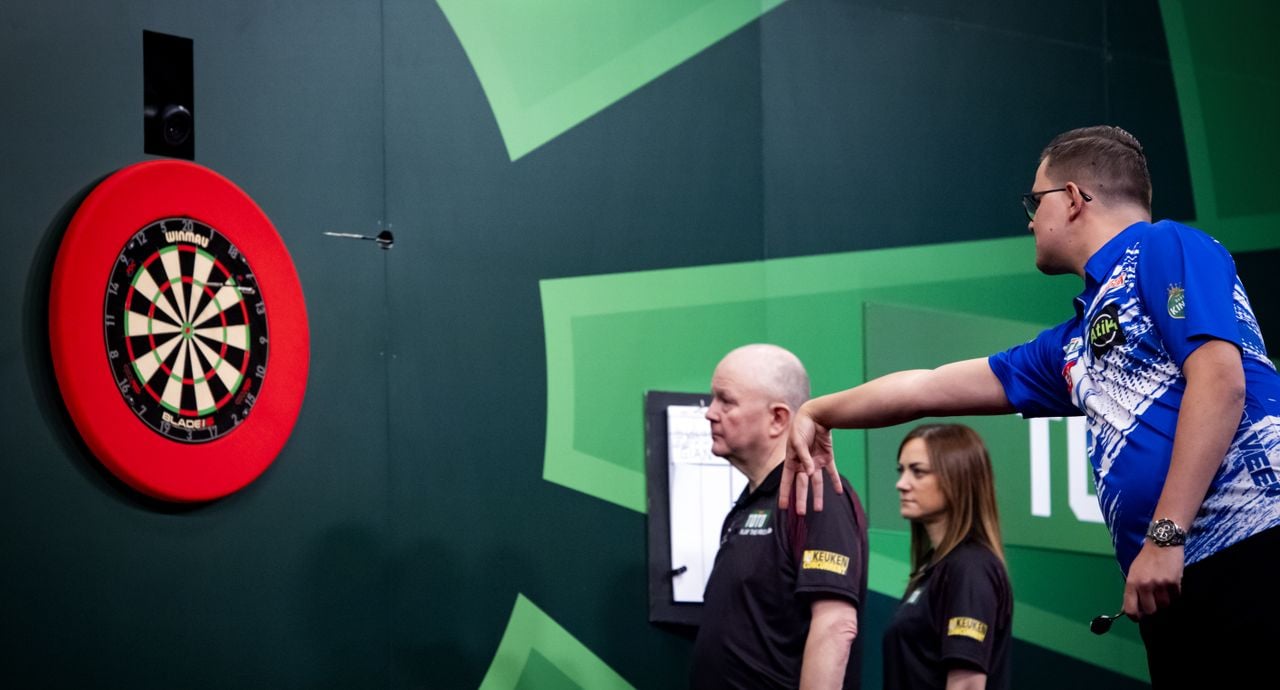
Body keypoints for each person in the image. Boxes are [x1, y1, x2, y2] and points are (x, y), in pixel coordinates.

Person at [781, 125, 1280, 686]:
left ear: (1071, 199)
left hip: (1252, 550)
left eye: (1034, 201)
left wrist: (1165, 535)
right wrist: (817, 411)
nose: (1028, 220)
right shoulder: (1071, 346)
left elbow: (1221, 381)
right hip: (1175, 582)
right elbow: (926, 387)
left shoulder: (1166, 246)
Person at [690, 344, 868, 689]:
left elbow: (835, 626)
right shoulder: (749, 505)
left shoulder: (816, 492)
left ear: (778, 418)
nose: (710, 413)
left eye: (726, 400)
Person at [883, 424, 1012, 690]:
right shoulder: (936, 566)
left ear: (957, 478)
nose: (901, 484)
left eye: (917, 472)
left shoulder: (970, 568)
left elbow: (967, 685)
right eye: (902, 471)